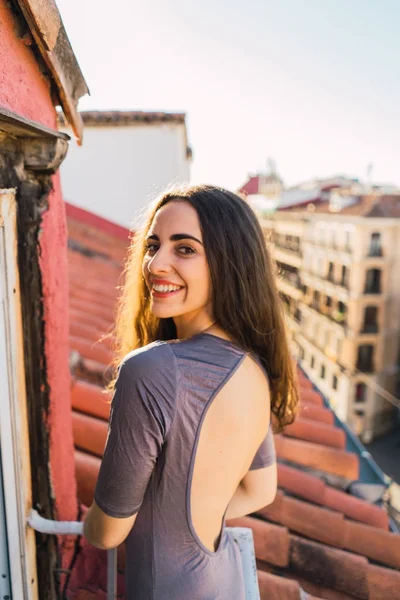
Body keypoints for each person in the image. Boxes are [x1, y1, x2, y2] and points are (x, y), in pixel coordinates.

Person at [83, 184, 299, 599]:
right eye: (153, 245)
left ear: (229, 262)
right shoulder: (253, 368)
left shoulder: (150, 370)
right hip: (224, 583)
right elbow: (260, 489)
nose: (155, 264)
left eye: (184, 249)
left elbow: (107, 532)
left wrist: (89, 521)